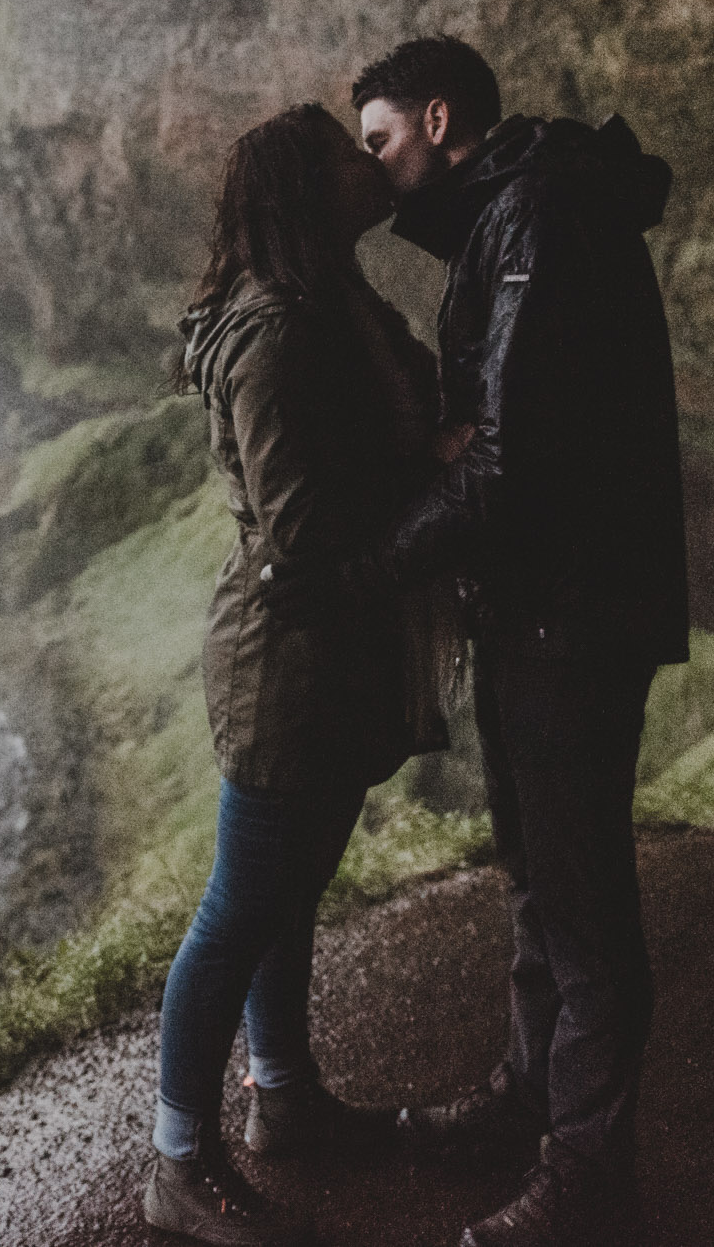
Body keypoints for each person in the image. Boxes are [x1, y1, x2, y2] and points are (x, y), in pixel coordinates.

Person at [271, 37, 688, 1247]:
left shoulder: (536, 219)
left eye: (382, 140)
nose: (375, 168)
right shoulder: (517, 212)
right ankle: (526, 1099)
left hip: (572, 612)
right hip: (543, 604)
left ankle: (586, 1174)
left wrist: (358, 574)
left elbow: (507, 460)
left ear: (439, 116)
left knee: (582, 898)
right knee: (538, 881)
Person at [145, 102, 464, 1247]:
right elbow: (299, 527)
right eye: (343, 153)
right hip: (286, 658)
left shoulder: (325, 301)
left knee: (286, 894)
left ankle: (285, 1099)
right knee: (238, 908)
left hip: (326, 648)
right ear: (302, 188)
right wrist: (430, 475)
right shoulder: (280, 331)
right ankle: (177, 1161)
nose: (364, 162)